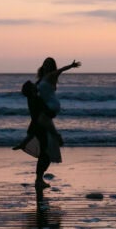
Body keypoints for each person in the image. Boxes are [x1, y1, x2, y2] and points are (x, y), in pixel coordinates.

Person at [14, 58, 81, 192]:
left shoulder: (51, 76)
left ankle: (28, 143)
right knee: (44, 143)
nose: (46, 65)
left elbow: (60, 70)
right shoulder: (40, 79)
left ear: (52, 67)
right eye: (45, 63)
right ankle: (39, 178)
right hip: (42, 108)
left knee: (42, 132)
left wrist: (71, 66)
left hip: (50, 106)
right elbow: (34, 91)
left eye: (49, 64)